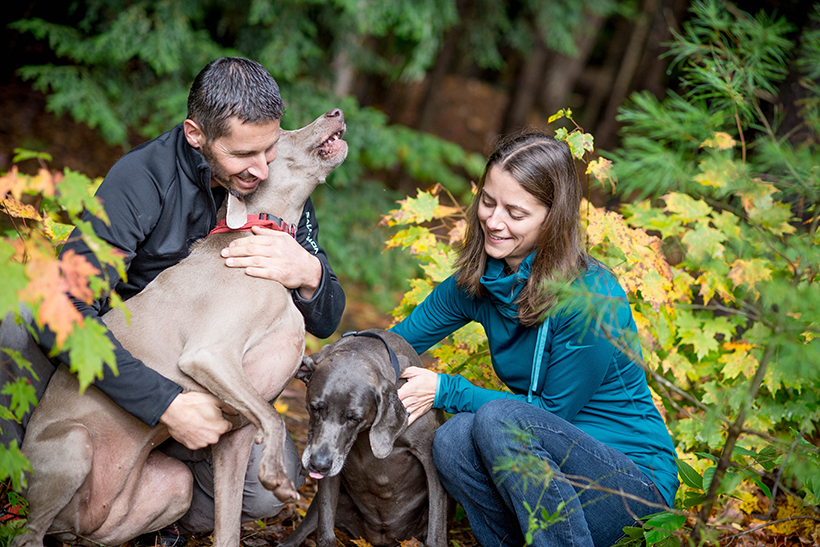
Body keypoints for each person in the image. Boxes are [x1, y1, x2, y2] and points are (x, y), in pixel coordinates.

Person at [30, 57, 345, 542]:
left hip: (204, 395)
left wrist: (309, 271)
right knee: (17, 323)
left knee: (261, 497)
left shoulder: (267, 181)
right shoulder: (143, 179)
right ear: (196, 134)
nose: (262, 168)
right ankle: (25, 495)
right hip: (133, 375)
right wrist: (166, 405)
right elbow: (62, 310)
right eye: (244, 154)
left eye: (270, 148)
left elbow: (326, 318)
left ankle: (149, 514)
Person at [393, 132, 678, 547]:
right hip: (550, 479)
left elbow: (549, 414)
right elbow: (394, 342)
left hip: (630, 493)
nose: (493, 220)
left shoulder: (590, 298)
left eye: (515, 212)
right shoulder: (479, 281)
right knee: (453, 439)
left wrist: (446, 389)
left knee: (497, 420)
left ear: (552, 218)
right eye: (488, 202)